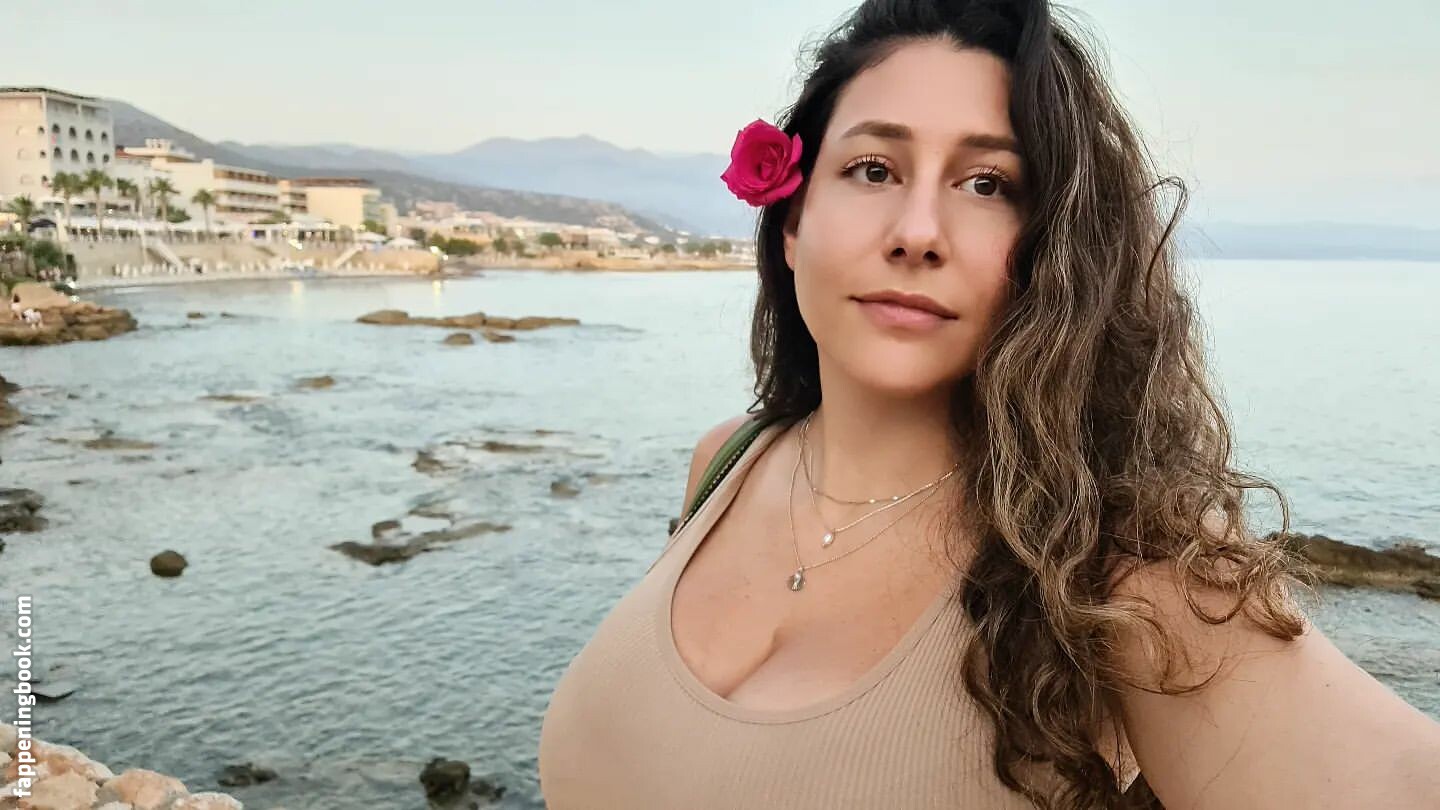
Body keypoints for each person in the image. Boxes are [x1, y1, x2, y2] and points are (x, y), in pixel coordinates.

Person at [538, 1, 1440, 808]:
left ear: (1054, 254)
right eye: (873, 168)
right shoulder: (727, 462)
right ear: (793, 221)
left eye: (988, 185)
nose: (917, 233)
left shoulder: (1117, 567)